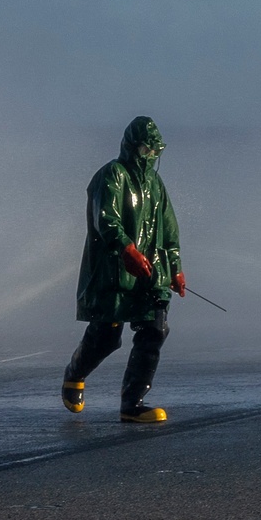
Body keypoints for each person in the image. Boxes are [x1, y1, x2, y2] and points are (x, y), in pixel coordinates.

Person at [61, 116, 186, 423]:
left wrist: (175, 268)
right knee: (106, 336)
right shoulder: (111, 176)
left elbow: (169, 231)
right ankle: (74, 375)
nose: (151, 156)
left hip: (150, 273)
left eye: (156, 151)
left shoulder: (156, 184)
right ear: (131, 146)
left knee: (155, 329)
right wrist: (126, 249)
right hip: (113, 271)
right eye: (145, 149)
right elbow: (106, 220)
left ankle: (133, 404)